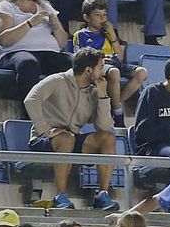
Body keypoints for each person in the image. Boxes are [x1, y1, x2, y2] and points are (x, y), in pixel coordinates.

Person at [23, 48, 121, 213]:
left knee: (108, 138)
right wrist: (44, 130)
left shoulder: (94, 91)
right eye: (101, 67)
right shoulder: (57, 80)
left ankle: (102, 195)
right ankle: (60, 196)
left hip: (73, 138)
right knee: (66, 138)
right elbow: (31, 99)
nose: (103, 72)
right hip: (44, 140)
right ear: (88, 70)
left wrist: (103, 95)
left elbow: (104, 126)